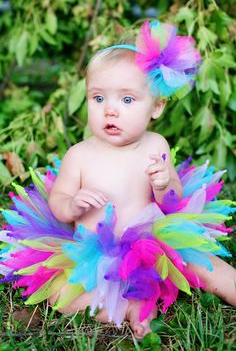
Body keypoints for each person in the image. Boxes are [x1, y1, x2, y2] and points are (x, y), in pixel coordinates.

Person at [0, 20, 235, 340]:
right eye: (98, 99)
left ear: (157, 106)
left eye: (126, 100)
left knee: (204, 264)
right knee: (61, 295)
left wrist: (164, 183)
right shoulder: (80, 154)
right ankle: (127, 310)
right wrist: (70, 205)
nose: (110, 110)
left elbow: (173, 202)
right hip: (93, 257)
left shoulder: (156, 146)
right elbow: (58, 200)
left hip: (153, 246)